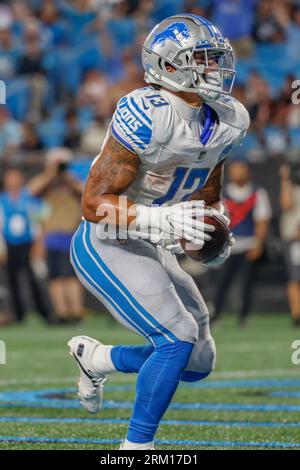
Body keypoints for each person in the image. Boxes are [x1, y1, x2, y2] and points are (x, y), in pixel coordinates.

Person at [68, 14, 249, 450]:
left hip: (150, 239)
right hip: (105, 239)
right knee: (177, 337)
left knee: (199, 359)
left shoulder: (229, 118)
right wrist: (162, 219)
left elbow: (206, 186)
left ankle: (98, 358)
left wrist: (212, 227)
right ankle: (136, 449)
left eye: (216, 58)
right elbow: (93, 205)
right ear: (167, 65)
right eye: (202, 59)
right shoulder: (147, 113)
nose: (214, 68)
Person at [211, 160, 272, 326]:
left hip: (249, 244)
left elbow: (262, 220)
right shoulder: (222, 193)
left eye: (241, 169)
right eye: (235, 169)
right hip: (227, 246)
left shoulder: (258, 192)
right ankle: (216, 315)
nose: (238, 173)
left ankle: (243, 316)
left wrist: (259, 243)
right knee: (222, 282)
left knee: (246, 283)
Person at [28, 148, 84, 323]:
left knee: (71, 277)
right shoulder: (47, 184)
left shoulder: (73, 182)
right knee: (56, 277)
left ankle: (76, 313)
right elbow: (31, 190)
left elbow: (85, 191)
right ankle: (61, 314)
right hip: (52, 235)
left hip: (71, 234)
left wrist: (67, 176)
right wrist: (51, 173)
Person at [0, 167, 52, 323]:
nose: (12, 181)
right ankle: (18, 314)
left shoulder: (28, 196)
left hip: (29, 243)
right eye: (9, 178)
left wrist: (39, 243)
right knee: (12, 280)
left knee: (34, 278)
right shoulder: (2, 199)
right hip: (9, 244)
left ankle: (45, 313)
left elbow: (41, 217)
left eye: (15, 177)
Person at [279, 163, 300, 326]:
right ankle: (296, 315)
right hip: (294, 240)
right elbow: (286, 205)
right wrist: (285, 180)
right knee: (295, 278)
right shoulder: (291, 189)